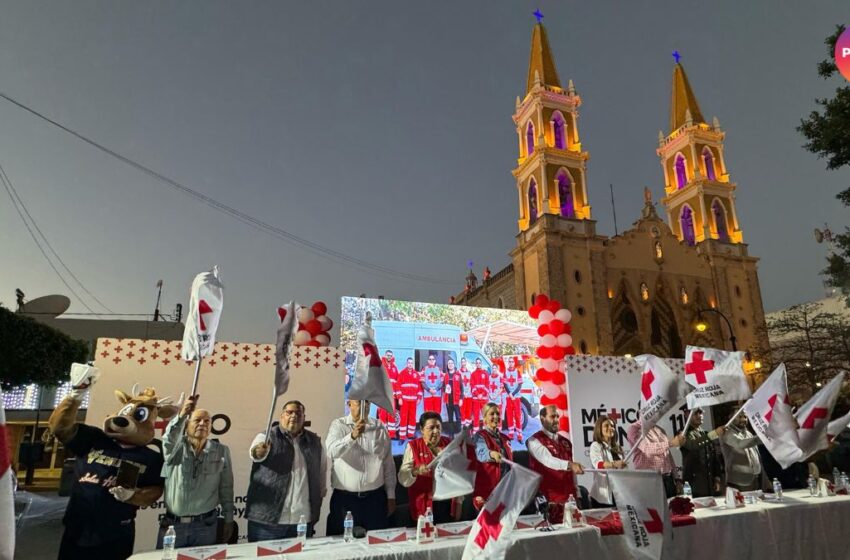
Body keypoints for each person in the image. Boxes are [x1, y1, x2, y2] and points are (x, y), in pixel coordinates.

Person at [158, 395, 234, 548]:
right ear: (186, 425)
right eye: (197, 420)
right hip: (174, 526)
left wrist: (228, 519)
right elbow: (169, 438)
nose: (202, 424)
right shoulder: (175, 448)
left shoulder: (221, 451)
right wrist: (181, 415)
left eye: (207, 421)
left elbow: (226, 487)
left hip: (205, 526)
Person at [246, 400, 327, 541]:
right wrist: (260, 451)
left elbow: (321, 474)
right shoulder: (266, 436)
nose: (294, 416)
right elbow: (255, 454)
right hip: (267, 522)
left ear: (304, 417)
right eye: (289, 412)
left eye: (298, 413)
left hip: (302, 521)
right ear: (281, 416)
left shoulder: (315, 441)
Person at [325, 400, 397, 534]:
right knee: (343, 545)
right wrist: (352, 436)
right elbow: (331, 451)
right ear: (349, 404)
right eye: (359, 402)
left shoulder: (379, 427)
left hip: (375, 499)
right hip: (345, 500)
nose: (365, 406)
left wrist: (391, 496)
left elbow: (388, 464)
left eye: (368, 403)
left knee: (377, 544)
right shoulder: (339, 425)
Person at [527, 405, 584, 523]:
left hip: (570, 499)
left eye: (557, 416)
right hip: (550, 501)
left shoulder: (565, 442)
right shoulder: (534, 440)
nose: (557, 419)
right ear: (542, 419)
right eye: (552, 416)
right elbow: (548, 460)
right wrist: (569, 464)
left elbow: (572, 470)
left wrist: (578, 493)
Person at [398, 412, 456, 524]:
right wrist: (416, 471)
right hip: (423, 503)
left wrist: (458, 502)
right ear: (422, 430)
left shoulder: (449, 444)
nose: (435, 431)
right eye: (431, 428)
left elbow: (458, 473)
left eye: (438, 427)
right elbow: (402, 477)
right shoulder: (413, 446)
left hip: (446, 502)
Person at [626, 419, 684, 498]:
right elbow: (647, 449)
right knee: (654, 509)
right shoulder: (634, 428)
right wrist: (671, 443)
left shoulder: (660, 429)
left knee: (672, 508)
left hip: (668, 478)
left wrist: (677, 479)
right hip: (649, 480)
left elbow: (668, 455)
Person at [472, 402, 513, 507]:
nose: (496, 417)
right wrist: (491, 454)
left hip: (505, 491)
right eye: (492, 414)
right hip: (486, 493)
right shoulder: (479, 436)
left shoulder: (506, 438)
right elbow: (480, 452)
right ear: (484, 418)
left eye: (498, 414)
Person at [681, 408, 726, 497]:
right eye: (695, 413)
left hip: (710, 483)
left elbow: (714, 458)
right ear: (686, 415)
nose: (699, 415)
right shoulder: (683, 434)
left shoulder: (705, 433)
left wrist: (717, 478)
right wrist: (714, 434)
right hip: (694, 485)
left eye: (700, 412)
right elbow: (693, 445)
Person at [589, 415, 626, 507]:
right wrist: (614, 464)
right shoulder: (595, 445)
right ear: (599, 429)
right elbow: (599, 465)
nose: (611, 428)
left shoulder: (618, 447)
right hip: (602, 496)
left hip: (618, 493)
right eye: (606, 426)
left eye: (612, 426)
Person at [721, 413, 762, 491]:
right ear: (731, 418)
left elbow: (757, 456)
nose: (743, 419)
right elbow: (739, 444)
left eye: (745, 417)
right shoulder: (726, 432)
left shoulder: (749, 433)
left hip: (755, 479)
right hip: (738, 481)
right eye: (740, 417)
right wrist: (762, 437)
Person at [398, 358, 422, 440]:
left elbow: (419, 388)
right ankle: (402, 436)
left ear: (413, 364)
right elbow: (398, 387)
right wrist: (399, 398)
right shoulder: (402, 374)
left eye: (412, 363)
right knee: (403, 418)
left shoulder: (416, 374)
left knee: (412, 418)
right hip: (404, 400)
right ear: (406, 363)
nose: (410, 364)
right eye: (409, 363)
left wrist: (419, 398)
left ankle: (411, 435)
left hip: (413, 401)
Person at [379, 350, 401, 439]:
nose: (389, 357)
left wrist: (396, 394)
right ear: (385, 355)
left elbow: (396, 382)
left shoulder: (394, 368)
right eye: (388, 355)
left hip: (392, 395)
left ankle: (392, 434)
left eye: (390, 356)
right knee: (383, 415)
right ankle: (382, 434)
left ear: (392, 357)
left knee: (392, 414)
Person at [502, 357, 523, 441]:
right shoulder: (505, 372)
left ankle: (519, 434)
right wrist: (509, 394)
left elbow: (520, 385)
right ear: (508, 363)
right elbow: (504, 384)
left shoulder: (517, 372)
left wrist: (513, 394)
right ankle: (511, 433)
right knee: (509, 415)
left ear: (514, 363)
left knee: (517, 415)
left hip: (516, 397)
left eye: (512, 362)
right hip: (509, 397)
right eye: (509, 362)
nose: (510, 363)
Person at [470, 359, 490, 433]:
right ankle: (475, 431)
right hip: (476, 399)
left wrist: (482, 394)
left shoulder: (485, 373)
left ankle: (485, 432)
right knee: (476, 416)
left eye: (479, 363)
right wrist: (477, 394)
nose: (478, 364)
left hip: (483, 399)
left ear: (481, 364)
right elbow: (472, 386)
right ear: (475, 364)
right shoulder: (473, 374)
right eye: (477, 363)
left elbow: (487, 386)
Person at [444, 358, 463, 431]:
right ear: (447, 365)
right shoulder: (446, 375)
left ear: (454, 365)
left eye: (452, 363)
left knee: (458, 417)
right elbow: (443, 386)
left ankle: (458, 432)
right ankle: (451, 433)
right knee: (450, 418)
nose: (450, 365)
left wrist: (461, 398)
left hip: (456, 400)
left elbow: (462, 388)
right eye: (449, 363)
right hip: (448, 400)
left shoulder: (458, 375)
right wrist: (445, 388)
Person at [459, 358, 474, 430]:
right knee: (462, 411)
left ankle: (468, 428)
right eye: (462, 362)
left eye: (464, 361)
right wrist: (462, 393)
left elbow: (471, 383)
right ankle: (463, 427)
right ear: (461, 363)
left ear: (466, 363)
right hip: (462, 395)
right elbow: (458, 385)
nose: (463, 363)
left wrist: (468, 392)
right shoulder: (458, 372)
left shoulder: (469, 372)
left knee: (469, 411)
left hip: (469, 395)